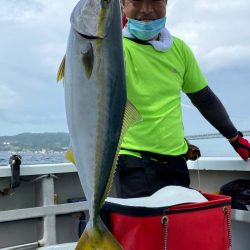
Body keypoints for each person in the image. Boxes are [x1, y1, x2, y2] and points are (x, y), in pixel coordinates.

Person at [114, 0, 250, 199]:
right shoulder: (113, 50)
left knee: (176, 227)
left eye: (154, 1)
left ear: (166, 3)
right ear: (123, 5)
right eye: (136, 1)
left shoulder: (179, 49)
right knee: (143, 227)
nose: (146, 9)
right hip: (131, 159)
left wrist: (235, 138)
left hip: (175, 161)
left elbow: (204, 98)